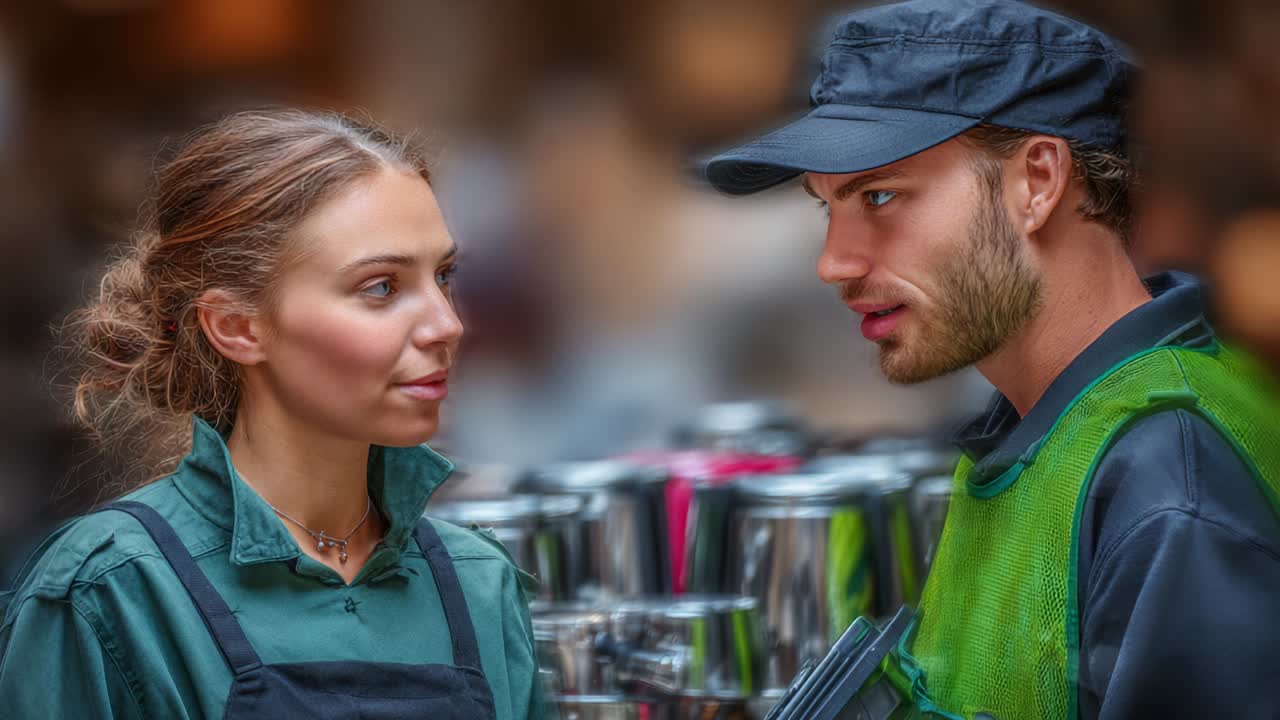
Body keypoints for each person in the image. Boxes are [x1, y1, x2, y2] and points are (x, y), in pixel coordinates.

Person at [704, 1, 1280, 718]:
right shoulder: (1041, 430)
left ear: (1037, 181)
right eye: (830, 208)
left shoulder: (1169, 489)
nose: (832, 263)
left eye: (879, 196)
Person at [0, 110, 546, 719]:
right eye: (381, 287)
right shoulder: (113, 591)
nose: (448, 324)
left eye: (444, 276)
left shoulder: (478, 583)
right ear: (237, 327)